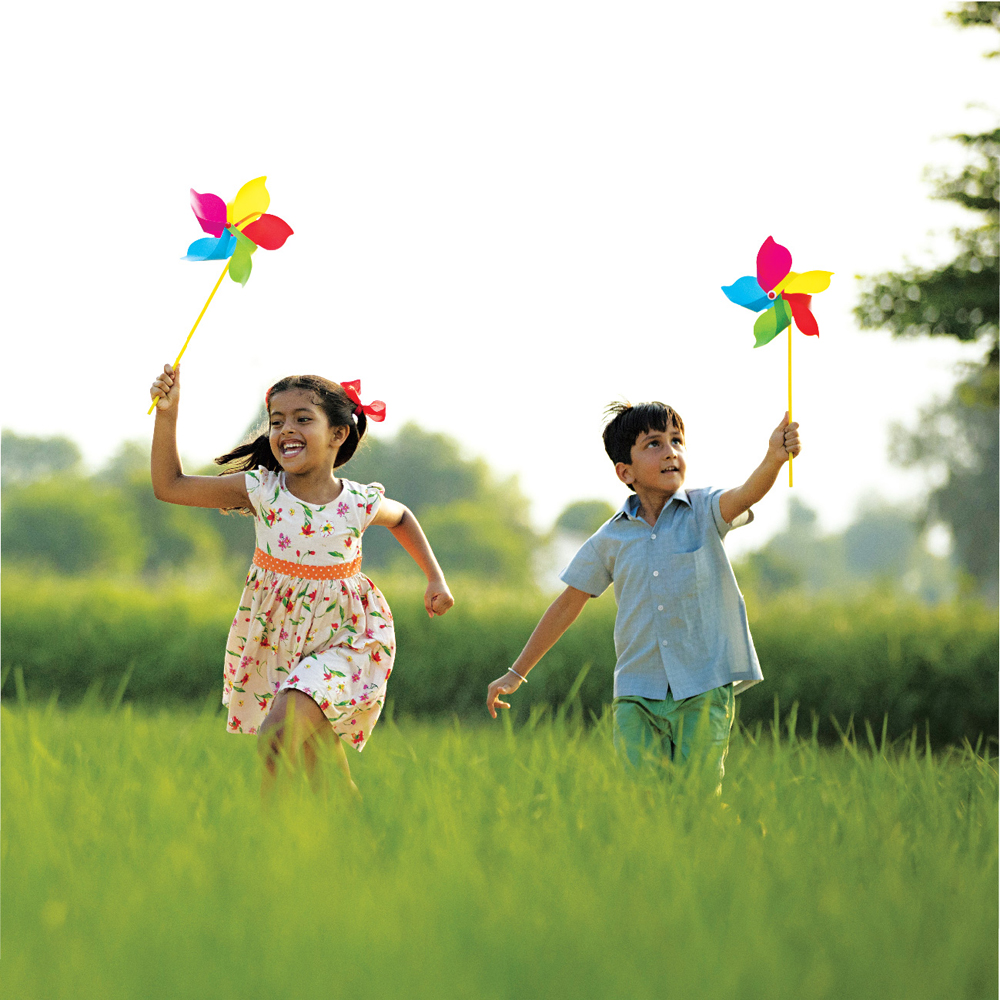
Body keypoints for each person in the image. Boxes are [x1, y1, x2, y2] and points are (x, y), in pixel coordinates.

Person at [149, 363, 454, 796]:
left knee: (277, 736)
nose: (285, 429)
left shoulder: (358, 502)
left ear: (338, 434)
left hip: (346, 640)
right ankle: (354, 848)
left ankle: (269, 845)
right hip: (279, 640)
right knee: (322, 770)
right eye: (276, 421)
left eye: (302, 419)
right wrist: (168, 414)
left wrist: (434, 578)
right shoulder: (262, 490)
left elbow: (402, 517)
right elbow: (170, 485)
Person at [486, 401, 801, 790]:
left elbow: (747, 493)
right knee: (643, 798)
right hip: (637, 692)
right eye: (654, 443)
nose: (670, 451)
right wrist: (516, 672)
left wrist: (774, 458)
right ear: (625, 472)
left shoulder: (704, 510)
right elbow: (567, 605)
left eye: (677, 441)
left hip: (703, 686)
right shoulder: (610, 539)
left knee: (699, 795)